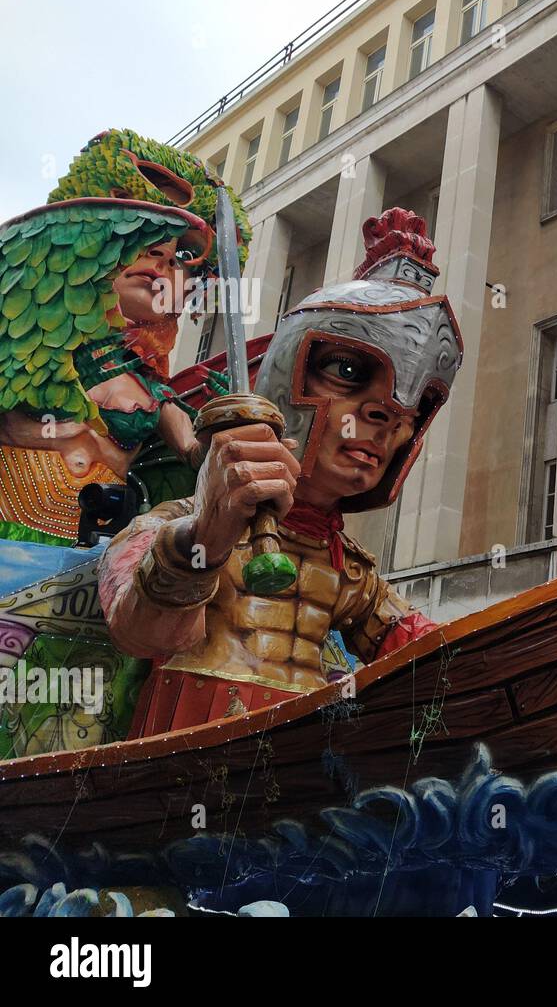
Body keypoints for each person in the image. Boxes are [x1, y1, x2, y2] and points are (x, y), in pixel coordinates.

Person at [99, 208, 462, 734]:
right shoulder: (169, 526)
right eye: (348, 372)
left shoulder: (350, 570)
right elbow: (144, 631)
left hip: (309, 758)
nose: (388, 417)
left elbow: (432, 661)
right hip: (181, 751)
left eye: (413, 404)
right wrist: (208, 536)